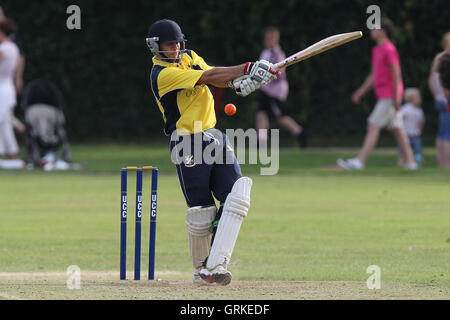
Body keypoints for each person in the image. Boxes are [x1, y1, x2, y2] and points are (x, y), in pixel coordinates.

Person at [146, 19, 278, 285]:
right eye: (170, 44)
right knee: (202, 211)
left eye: (178, 42)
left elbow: (215, 75)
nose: (177, 48)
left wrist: (241, 82)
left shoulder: (190, 57)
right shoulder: (162, 75)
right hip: (187, 142)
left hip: (214, 135)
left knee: (236, 195)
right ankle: (201, 270)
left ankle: (216, 264)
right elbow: (207, 77)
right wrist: (248, 67)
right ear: (155, 47)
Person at [337, 18, 417, 170]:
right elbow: (374, 75)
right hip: (384, 95)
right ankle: (410, 163)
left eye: (375, 29)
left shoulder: (389, 49)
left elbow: (396, 73)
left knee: (373, 125)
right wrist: (360, 92)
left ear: (383, 31)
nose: (372, 31)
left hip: (389, 96)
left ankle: (360, 161)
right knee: (398, 130)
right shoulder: (377, 50)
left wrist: (397, 97)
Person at [257, 27, 307, 148]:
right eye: (267, 38)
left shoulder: (276, 53)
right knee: (261, 114)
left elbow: (274, 74)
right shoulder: (267, 52)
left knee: (280, 117)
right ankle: (261, 141)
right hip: (265, 90)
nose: (269, 40)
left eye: (272, 38)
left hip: (273, 92)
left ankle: (301, 133)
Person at [20, 79, 72, 170]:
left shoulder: (31, 111)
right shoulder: (55, 111)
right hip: (52, 139)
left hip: (38, 139)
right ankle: (47, 158)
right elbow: (61, 126)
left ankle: (42, 158)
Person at [428, 32, 450, 168]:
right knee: (447, 132)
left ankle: (441, 161)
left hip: (441, 98)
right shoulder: (444, 58)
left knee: (443, 131)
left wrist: (437, 95)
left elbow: (432, 79)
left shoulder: (439, 58)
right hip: (446, 99)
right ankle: (446, 164)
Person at [0, 18, 20, 160]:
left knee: (3, 121)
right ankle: (11, 151)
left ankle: (6, 151)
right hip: (8, 87)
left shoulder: (3, 49)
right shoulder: (14, 47)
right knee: (5, 121)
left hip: (2, 87)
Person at [397, 88, 425, 167]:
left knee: (418, 150)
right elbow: (399, 118)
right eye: (418, 97)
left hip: (416, 134)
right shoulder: (406, 109)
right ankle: (401, 163)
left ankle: (418, 162)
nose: (420, 99)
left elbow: (421, 122)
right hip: (406, 134)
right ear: (411, 99)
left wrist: (420, 130)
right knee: (403, 150)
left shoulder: (419, 110)